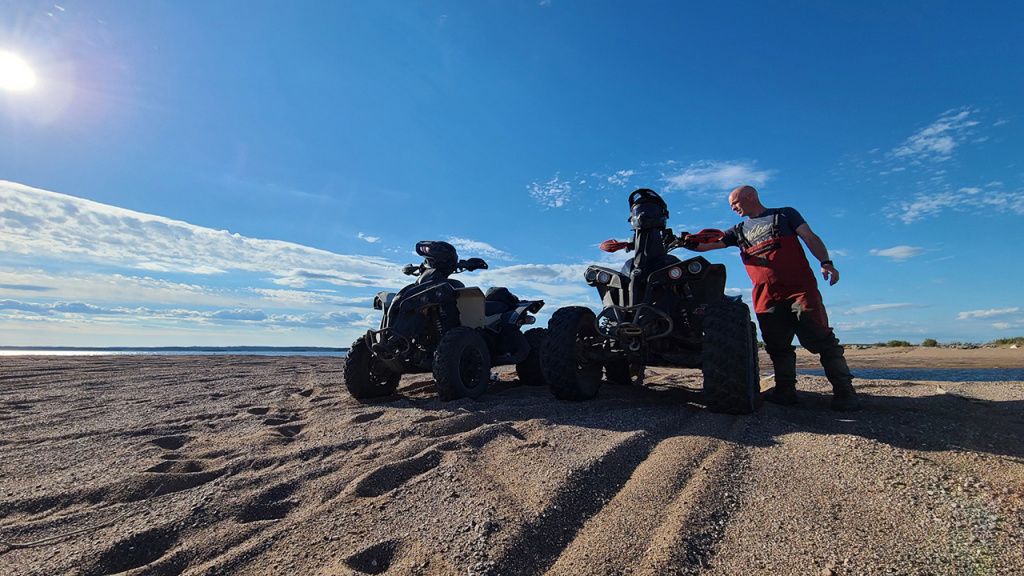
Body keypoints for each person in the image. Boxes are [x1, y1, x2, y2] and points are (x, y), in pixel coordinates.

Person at [685, 185, 861, 411]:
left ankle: (845, 392)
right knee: (777, 344)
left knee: (820, 337)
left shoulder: (785, 214)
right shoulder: (738, 231)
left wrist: (826, 263)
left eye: (735, 203)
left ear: (750, 196)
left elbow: (809, 237)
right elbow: (709, 245)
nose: (734, 209)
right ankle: (785, 391)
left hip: (799, 288)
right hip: (765, 294)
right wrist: (687, 242)